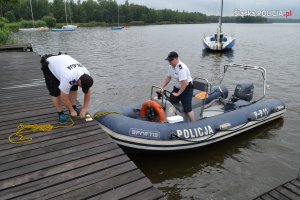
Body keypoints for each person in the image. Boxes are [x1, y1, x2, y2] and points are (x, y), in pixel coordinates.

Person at [41, 53, 93, 124]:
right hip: (50, 65)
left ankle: (74, 107)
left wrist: (84, 109)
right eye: (82, 86)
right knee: (55, 92)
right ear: (79, 81)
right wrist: (71, 111)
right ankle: (60, 113)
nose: (83, 88)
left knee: (74, 88)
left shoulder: (86, 74)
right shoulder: (68, 77)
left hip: (64, 63)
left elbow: (87, 92)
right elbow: (63, 96)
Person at [160, 51, 195, 121]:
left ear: (176, 59)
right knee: (170, 102)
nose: (169, 62)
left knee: (188, 109)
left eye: (171, 60)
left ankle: (193, 123)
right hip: (177, 88)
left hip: (186, 89)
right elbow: (168, 78)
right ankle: (174, 118)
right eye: (168, 60)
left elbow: (184, 83)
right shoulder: (171, 66)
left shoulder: (181, 68)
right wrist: (161, 87)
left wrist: (178, 94)